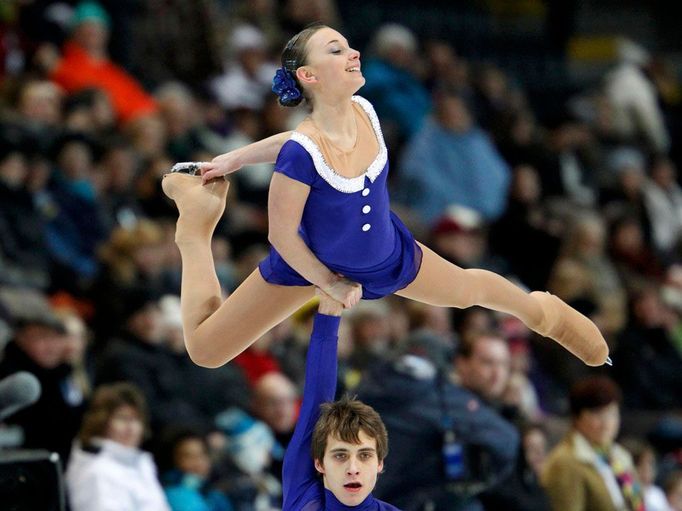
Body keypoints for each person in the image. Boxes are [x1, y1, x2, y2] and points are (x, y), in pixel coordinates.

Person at [160, 23, 609, 371]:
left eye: (349, 45)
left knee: (468, 288)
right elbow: (281, 233)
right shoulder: (301, 151)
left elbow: (298, 142)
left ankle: (542, 314)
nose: (353, 51)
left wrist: (237, 158)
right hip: (308, 266)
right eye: (336, 49)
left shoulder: (364, 109)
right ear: (309, 75)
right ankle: (194, 232)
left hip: (387, 253)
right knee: (206, 350)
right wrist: (328, 282)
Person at [283, 288, 397, 509]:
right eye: (340, 455)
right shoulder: (305, 498)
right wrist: (330, 304)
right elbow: (317, 391)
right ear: (319, 463)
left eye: (364, 455)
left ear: (379, 464)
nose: (353, 468)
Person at [541, 376, 644, 511]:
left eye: (612, 413)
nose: (606, 423)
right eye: (598, 414)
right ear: (577, 417)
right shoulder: (565, 462)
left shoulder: (618, 455)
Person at [66, 382, 171, 511]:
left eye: (136, 419)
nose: (130, 428)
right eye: (122, 418)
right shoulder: (96, 470)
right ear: (101, 422)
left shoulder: (142, 464)